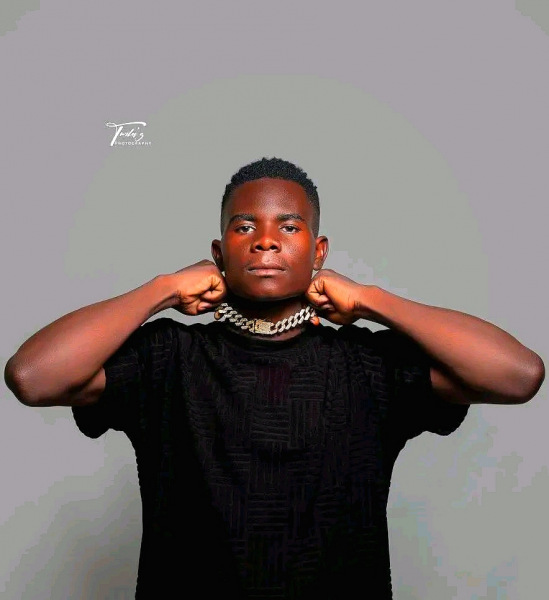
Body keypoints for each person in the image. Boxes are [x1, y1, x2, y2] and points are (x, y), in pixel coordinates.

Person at [4, 157, 545, 599]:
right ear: (218, 254)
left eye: (289, 226)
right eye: (245, 227)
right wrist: (161, 289)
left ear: (319, 251)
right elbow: (32, 376)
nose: (266, 241)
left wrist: (372, 301)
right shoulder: (168, 358)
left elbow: (518, 375)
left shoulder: (368, 365)